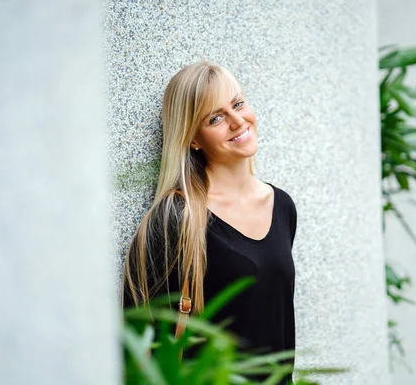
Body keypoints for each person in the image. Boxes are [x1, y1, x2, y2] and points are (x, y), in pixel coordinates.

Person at [122, 61, 297, 383]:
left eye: (238, 104)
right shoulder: (176, 218)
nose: (237, 121)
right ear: (193, 139)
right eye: (215, 118)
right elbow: (139, 338)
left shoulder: (281, 205)